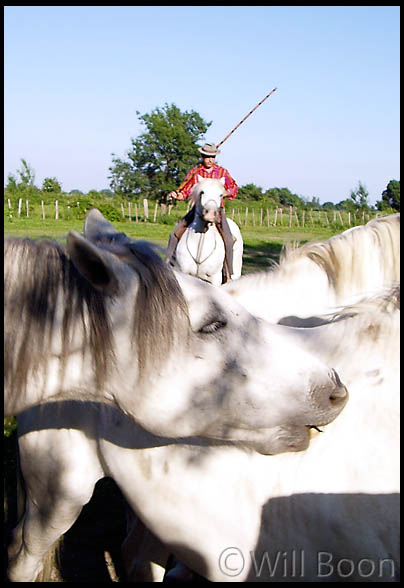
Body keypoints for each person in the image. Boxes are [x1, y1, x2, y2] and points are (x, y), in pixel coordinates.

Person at [165, 142, 238, 282]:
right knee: (175, 233)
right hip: (198, 210)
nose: (210, 160)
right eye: (207, 156)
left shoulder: (222, 173)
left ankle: (229, 274)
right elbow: (186, 191)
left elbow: (234, 188)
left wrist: (224, 193)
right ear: (202, 156)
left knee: (229, 239)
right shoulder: (195, 172)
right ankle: (168, 265)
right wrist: (177, 195)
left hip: (217, 211)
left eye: (212, 157)